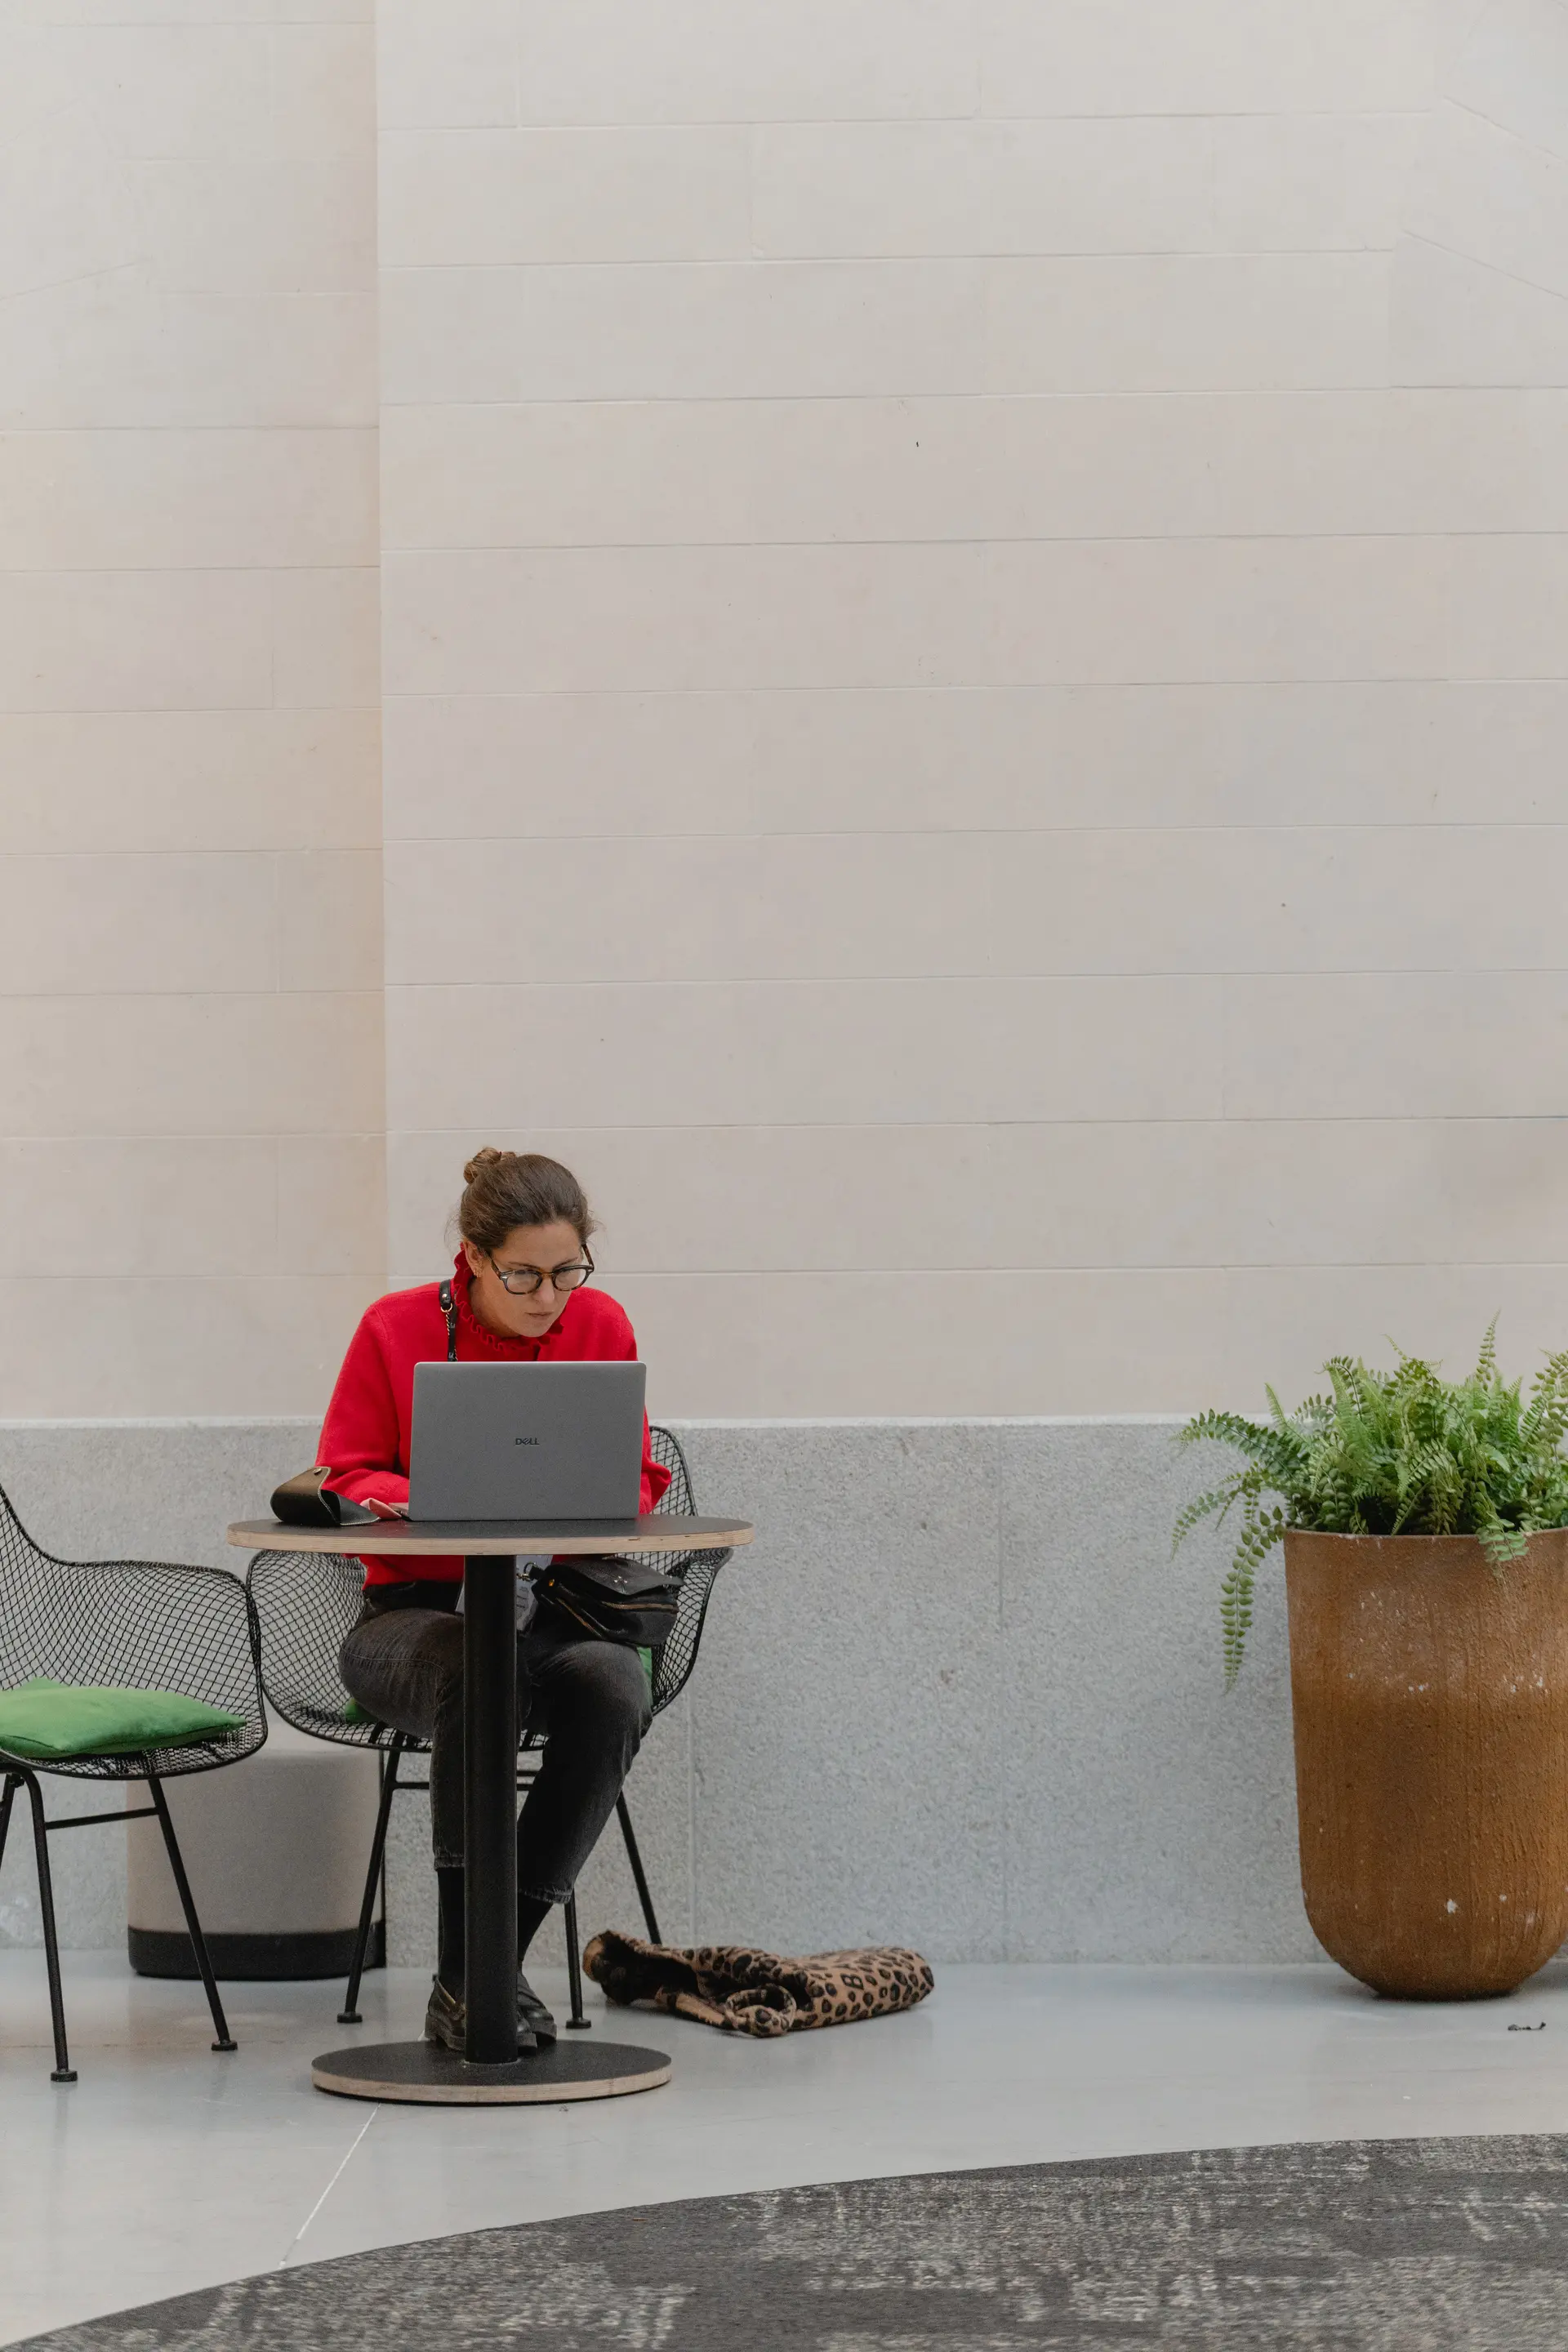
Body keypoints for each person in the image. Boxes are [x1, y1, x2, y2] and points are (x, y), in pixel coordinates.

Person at [318, 1149, 670, 2054]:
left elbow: (629, 1472)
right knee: (473, 1669)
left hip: (553, 1613)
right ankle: (474, 1978)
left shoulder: (602, 1324)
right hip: (410, 1623)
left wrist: (594, 1499)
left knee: (613, 1685)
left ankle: (475, 1974)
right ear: (471, 1256)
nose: (548, 1295)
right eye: (523, 1273)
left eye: (566, 1272)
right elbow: (345, 1469)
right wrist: (422, 1495)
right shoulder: (394, 1327)